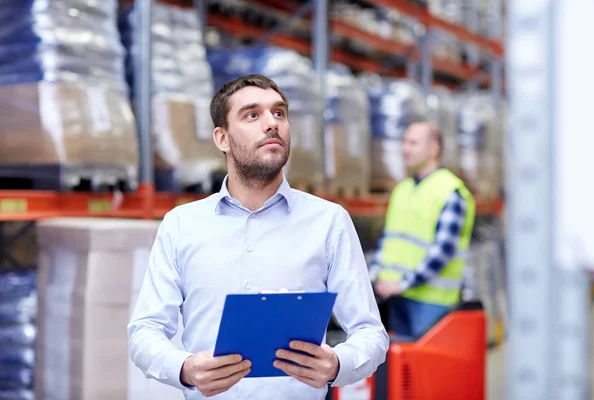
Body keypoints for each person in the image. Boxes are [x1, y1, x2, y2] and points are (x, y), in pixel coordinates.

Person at [128, 74, 389, 399]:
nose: (272, 124)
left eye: (279, 113)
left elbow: (371, 333)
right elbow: (145, 331)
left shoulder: (329, 222)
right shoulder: (181, 224)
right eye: (252, 115)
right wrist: (184, 369)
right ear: (222, 138)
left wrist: (338, 364)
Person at [371, 122, 476, 339]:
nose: (404, 149)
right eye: (404, 142)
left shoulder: (450, 191)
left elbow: (443, 252)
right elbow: (389, 241)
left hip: (432, 303)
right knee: (398, 367)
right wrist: (375, 277)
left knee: (427, 369)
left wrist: (403, 283)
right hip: (395, 297)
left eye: (413, 143)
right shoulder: (402, 189)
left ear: (433, 148)